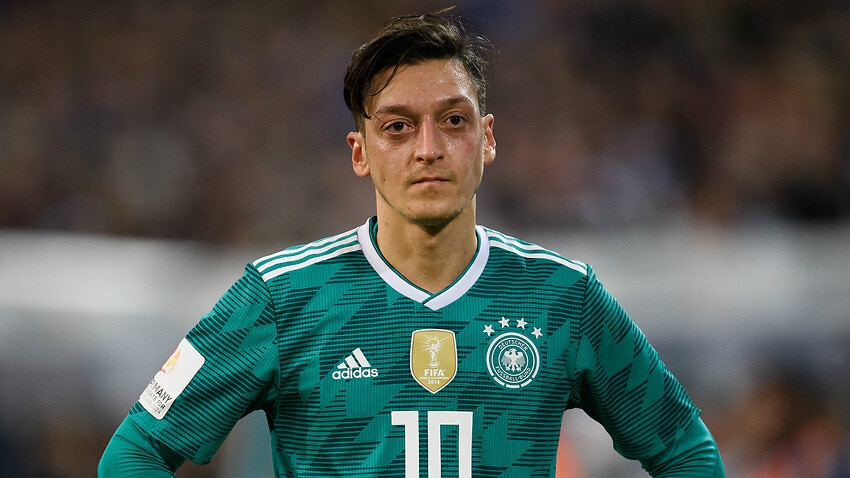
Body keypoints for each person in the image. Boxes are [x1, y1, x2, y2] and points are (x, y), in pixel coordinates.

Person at [99, 10, 725, 477]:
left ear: (487, 139)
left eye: (452, 120)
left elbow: (685, 449)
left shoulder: (565, 297)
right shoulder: (280, 297)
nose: (428, 148)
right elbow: (136, 451)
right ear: (360, 153)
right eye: (398, 126)